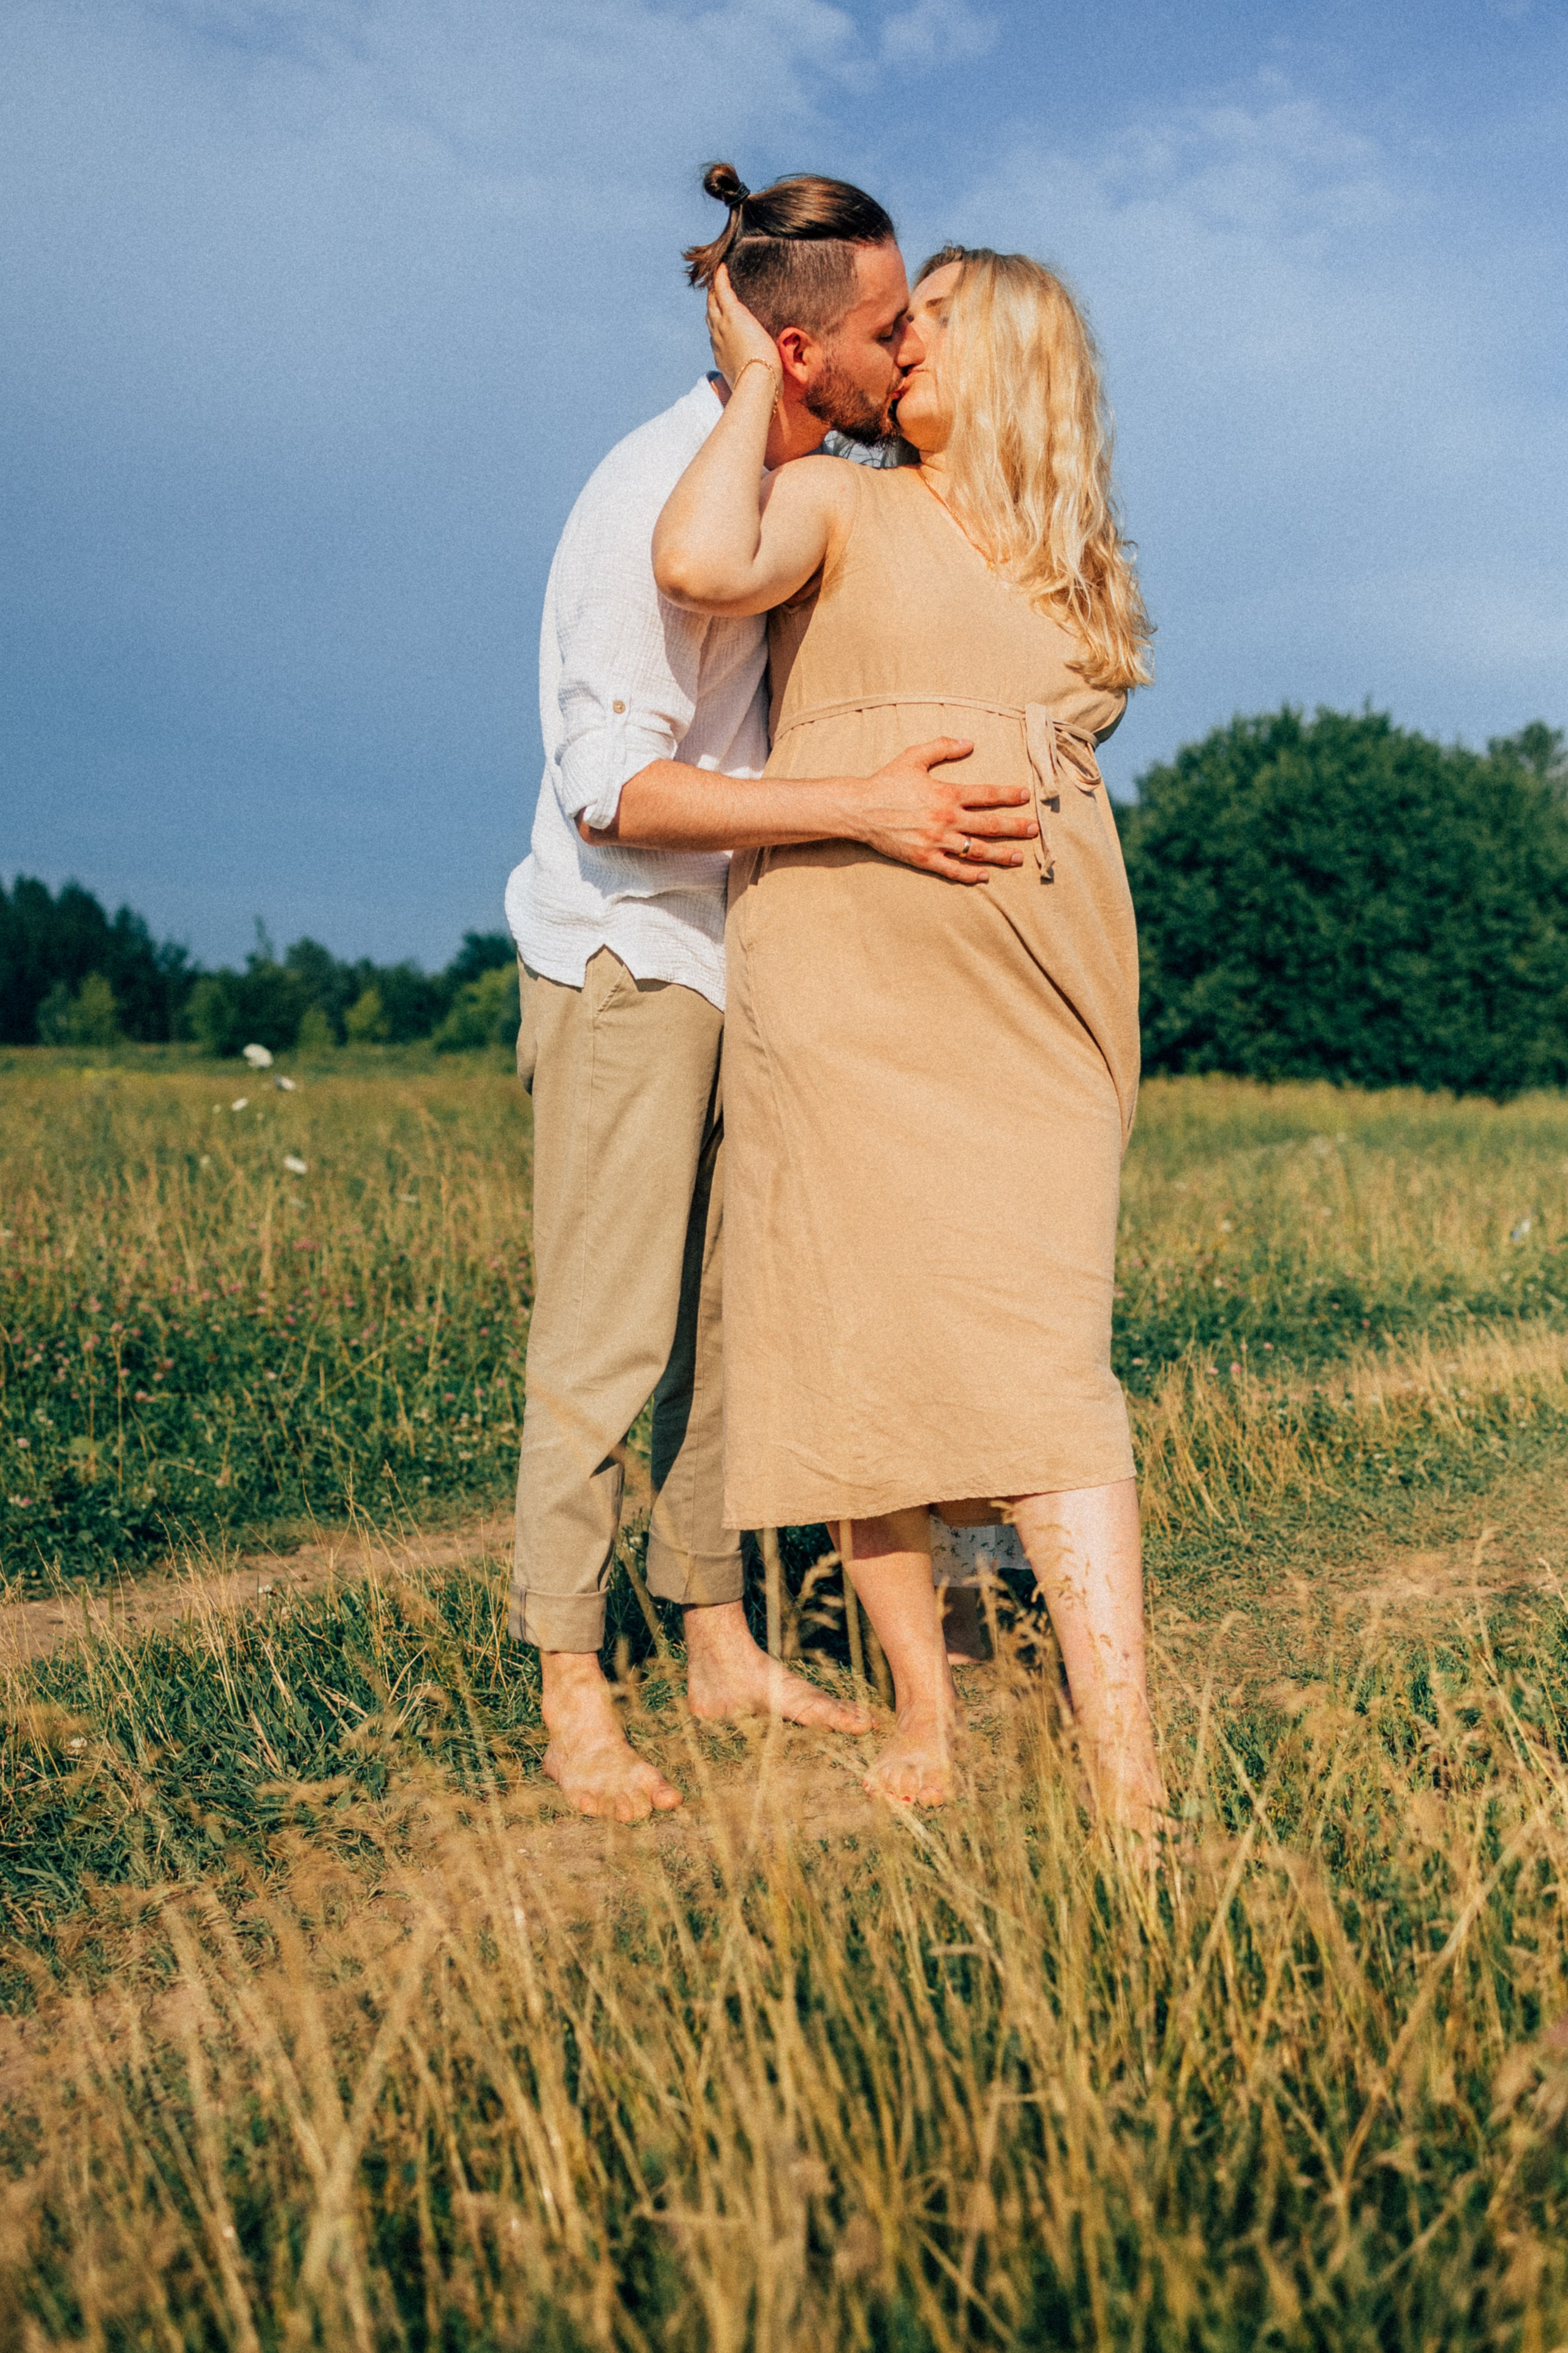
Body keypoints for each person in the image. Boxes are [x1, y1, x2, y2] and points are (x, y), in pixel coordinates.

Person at [506, 172, 1040, 1823]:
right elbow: (617, 789)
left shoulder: (823, 484)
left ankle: (720, 1631)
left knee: (742, 1337)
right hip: (632, 957)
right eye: (891, 330)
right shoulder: (647, 491)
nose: (912, 351)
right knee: (612, 1338)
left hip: (762, 964)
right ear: (801, 355)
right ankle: (574, 1685)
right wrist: (867, 807)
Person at [653, 243, 1165, 1826]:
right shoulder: (841, 502)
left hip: (1040, 995)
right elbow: (696, 563)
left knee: (1050, 1362)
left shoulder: (1080, 566)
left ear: (1015, 356)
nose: (899, 340)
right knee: (862, 1347)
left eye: (932, 317)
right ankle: (924, 1716)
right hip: (849, 986)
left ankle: (1128, 1773)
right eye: (896, 318)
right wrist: (760, 372)